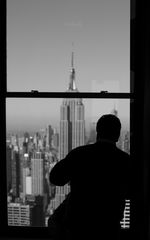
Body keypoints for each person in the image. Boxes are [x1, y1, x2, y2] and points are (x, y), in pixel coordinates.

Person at [49, 114, 131, 239]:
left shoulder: (79, 154)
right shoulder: (126, 161)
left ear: (97, 132)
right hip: (109, 227)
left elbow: (55, 178)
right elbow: (133, 191)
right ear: (118, 135)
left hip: (78, 227)